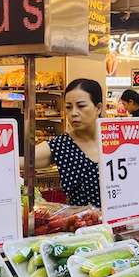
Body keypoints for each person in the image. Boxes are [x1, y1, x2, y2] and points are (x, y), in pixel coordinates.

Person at [34, 78, 103, 207]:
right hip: (83, 224)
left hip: (124, 223)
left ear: (98, 108)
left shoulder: (116, 140)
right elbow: (23, 160)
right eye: (68, 107)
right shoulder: (62, 145)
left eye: (81, 106)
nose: (73, 113)